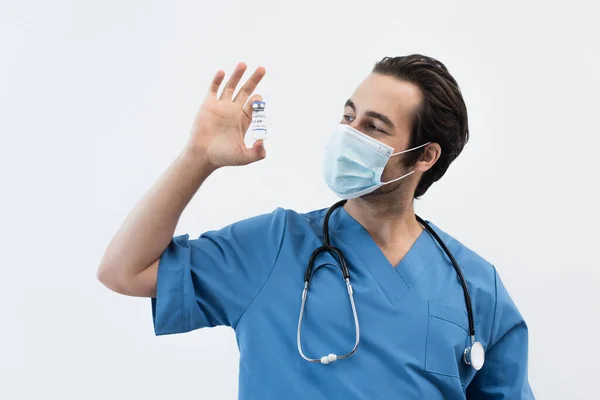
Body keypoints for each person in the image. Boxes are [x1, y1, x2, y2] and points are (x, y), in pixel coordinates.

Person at [97, 54, 535, 399]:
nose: (350, 134)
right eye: (348, 117)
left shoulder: (475, 286)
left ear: (424, 157)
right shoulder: (273, 247)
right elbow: (123, 271)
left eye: (373, 127)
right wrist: (198, 157)